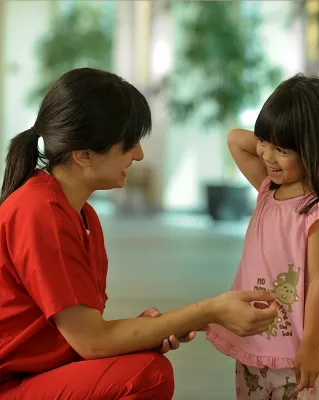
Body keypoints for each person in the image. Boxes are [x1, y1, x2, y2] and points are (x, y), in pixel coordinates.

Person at [0, 68, 278, 400]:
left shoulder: (81, 215)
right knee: (146, 376)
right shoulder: (40, 213)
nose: (139, 155)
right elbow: (92, 342)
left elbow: (81, 333)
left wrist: (148, 330)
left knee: (145, 363)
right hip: (13, 383)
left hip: (37, 372)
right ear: (83, 154)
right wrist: (210, 311)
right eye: (128, 144)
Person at [206, 74, 319, 400]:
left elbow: (318, 282)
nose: (267, 157)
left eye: (281, 149)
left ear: (314, 149)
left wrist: (310, 347)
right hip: (254, 341)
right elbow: (235, 138)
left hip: (294, 351)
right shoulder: (269, 189)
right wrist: (274, 139)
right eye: (265, 144)